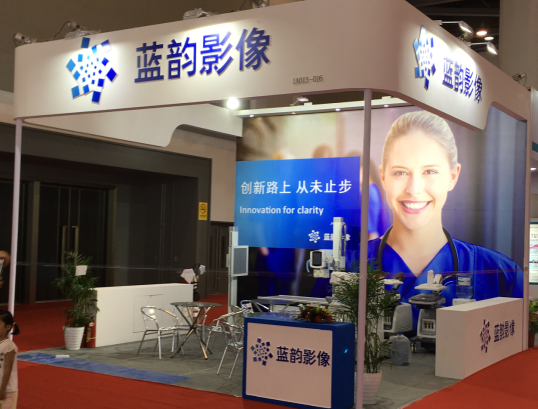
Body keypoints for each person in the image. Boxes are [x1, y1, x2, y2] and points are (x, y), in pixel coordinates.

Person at [364, 111, 523, 330]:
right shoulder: (348, 267)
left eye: (430, 171)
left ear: (452, 176)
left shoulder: (501, 274)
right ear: (383, 177)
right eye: (400, 173)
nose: (414, 189)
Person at [0, 310, 19, 409]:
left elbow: (8, 368)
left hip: (8, 390)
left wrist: (2, 389)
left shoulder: (9, 346)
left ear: (8, 327)